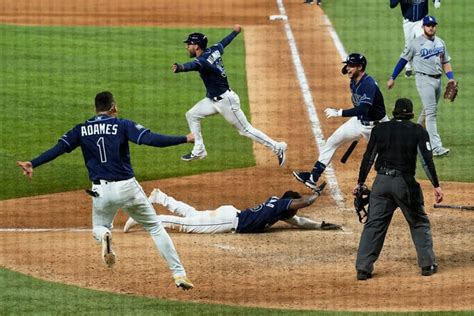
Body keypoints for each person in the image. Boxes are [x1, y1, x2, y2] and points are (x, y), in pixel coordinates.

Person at [16, 91, 195, 290]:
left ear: (96, 109)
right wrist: (185, 138)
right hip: (128, 188)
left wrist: (33, 163)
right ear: (114, 108)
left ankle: (104, 236)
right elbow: (151, 139)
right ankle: (179, 274)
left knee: (99, 227)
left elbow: (58, 149)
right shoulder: (122, 124)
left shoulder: (81, 129)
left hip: (100, 191)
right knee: (154, 228)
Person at [354, 98, 443, 281]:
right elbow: (426, 161)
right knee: (418, 222)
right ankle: (427, 265)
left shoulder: (379, 129)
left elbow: (368, 158)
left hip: (381, 183)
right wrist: (436, 185)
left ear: (394, 112)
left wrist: (360, 182)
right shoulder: (417, 131)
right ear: (410, 114)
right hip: (404, 184)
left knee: (374, 225)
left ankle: (363, 268)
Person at [172, 24, 288, 166]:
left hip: (226, 102)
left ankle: (277, 148)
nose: (187, 47)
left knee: (245, 130)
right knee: (192, 115)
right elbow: (224, 42)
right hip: (213, 100)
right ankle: (199, 150)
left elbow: (192, 66)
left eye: (189, 44)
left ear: (197, 47)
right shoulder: (213, 50)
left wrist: (180, 68)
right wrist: (235, 32)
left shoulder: (202, 61)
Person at [293, 53, 388, 191]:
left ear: (360, 67)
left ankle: (391, 186)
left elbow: (363, 108)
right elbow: (360, 109)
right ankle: (313, 177)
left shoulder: (368, 84)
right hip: (359, 121)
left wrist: (339, 112)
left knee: (384, 160)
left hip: (377, 127)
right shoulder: (353, 81)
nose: (347, 68)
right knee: (332, 141)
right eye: (347, 65)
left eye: (351, 66)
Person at [123, 184, 343, 234]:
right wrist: (315, 195)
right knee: (187, 225)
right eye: (293, 209)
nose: (295, 213)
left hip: (230, 213)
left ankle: (160, 197)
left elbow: (299, 221)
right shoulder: (281, 205)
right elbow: (303, 204)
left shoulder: (278, 208)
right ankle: (143, 218)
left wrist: (321, 225)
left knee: (194, 216)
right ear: (290, 204)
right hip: (230, 221)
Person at [387, 15, 454, 157]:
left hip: (438, 80)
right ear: (423, 27)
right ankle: (436, 147)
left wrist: (451, 78)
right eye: (429, 25)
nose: (431, 27)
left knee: (427, 110)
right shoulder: (415, 43)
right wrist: (393, 77)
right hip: (424, 80)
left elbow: (445, 62)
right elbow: (402, 60)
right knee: (431, 112)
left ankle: (411, 136)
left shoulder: (440, 42)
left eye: (433, 25)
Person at [390, 0, 441, 78]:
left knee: (424, 43)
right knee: (409, 46)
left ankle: (428, 69)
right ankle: (408, 68)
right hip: (407, 22)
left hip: (421, 21)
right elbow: (392, 4)